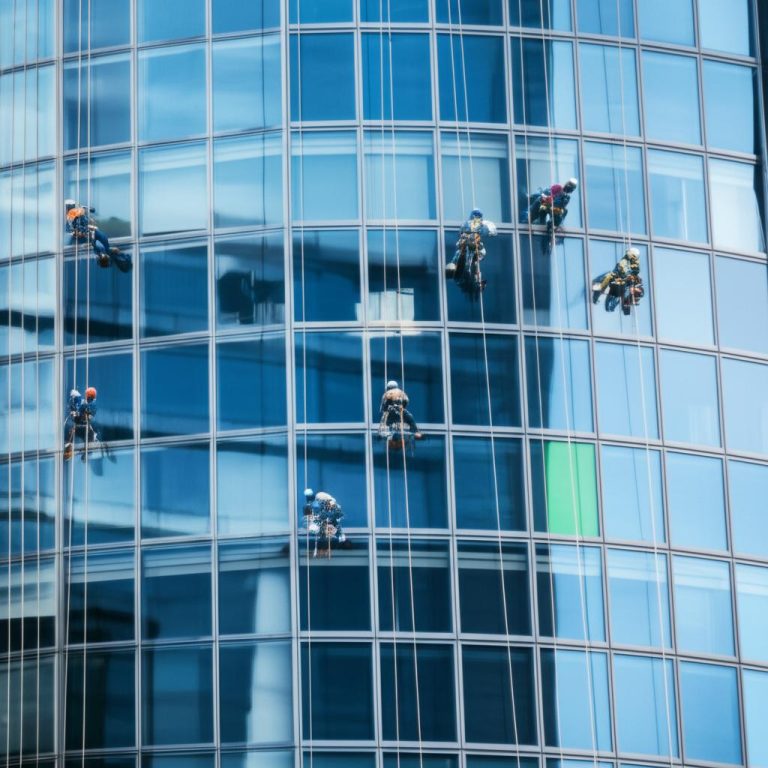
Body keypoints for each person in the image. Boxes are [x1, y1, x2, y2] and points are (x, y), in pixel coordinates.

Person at [65, 200, 132, 273]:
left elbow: (95, 241)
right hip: (95, 235)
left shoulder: (100, 249)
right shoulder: (104, 250)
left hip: (93, 235)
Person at [445, 208, 497, 292]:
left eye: (477, 216)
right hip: (467, 246)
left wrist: (486, 230)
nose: (476, 218)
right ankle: (455, 270)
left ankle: (475, 278)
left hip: (475, 247)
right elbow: (461, 233)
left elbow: (493, 231)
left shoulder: (482, 224)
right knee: (461, 256)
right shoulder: (466, 224)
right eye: (475, 216)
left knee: (474, 260)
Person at [592, 246, 645, 315]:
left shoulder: (635, 263)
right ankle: (598, 291)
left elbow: (636, 271)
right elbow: (623, 268)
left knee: (613, 301)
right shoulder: (625, 261)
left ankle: (599, 292)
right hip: (617, 278)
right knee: (608, 278)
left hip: (622, 283)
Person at [303, 488, 345, 557]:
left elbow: (335, 514)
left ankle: (324, 549)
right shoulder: (309, 506)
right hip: (321, 527)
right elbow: (308, 520)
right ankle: (320, 550)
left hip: (326, 526)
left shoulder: (324, 502)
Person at [64, 387, 99, 461]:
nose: (86, 396)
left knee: (73, 433)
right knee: (75, 433)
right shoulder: (90, 404)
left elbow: (82, 411)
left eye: (87, 395)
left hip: (83, 424)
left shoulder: (89, 404)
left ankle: (70, 450)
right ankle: (85, 452)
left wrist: (76, 413)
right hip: (83, 424)